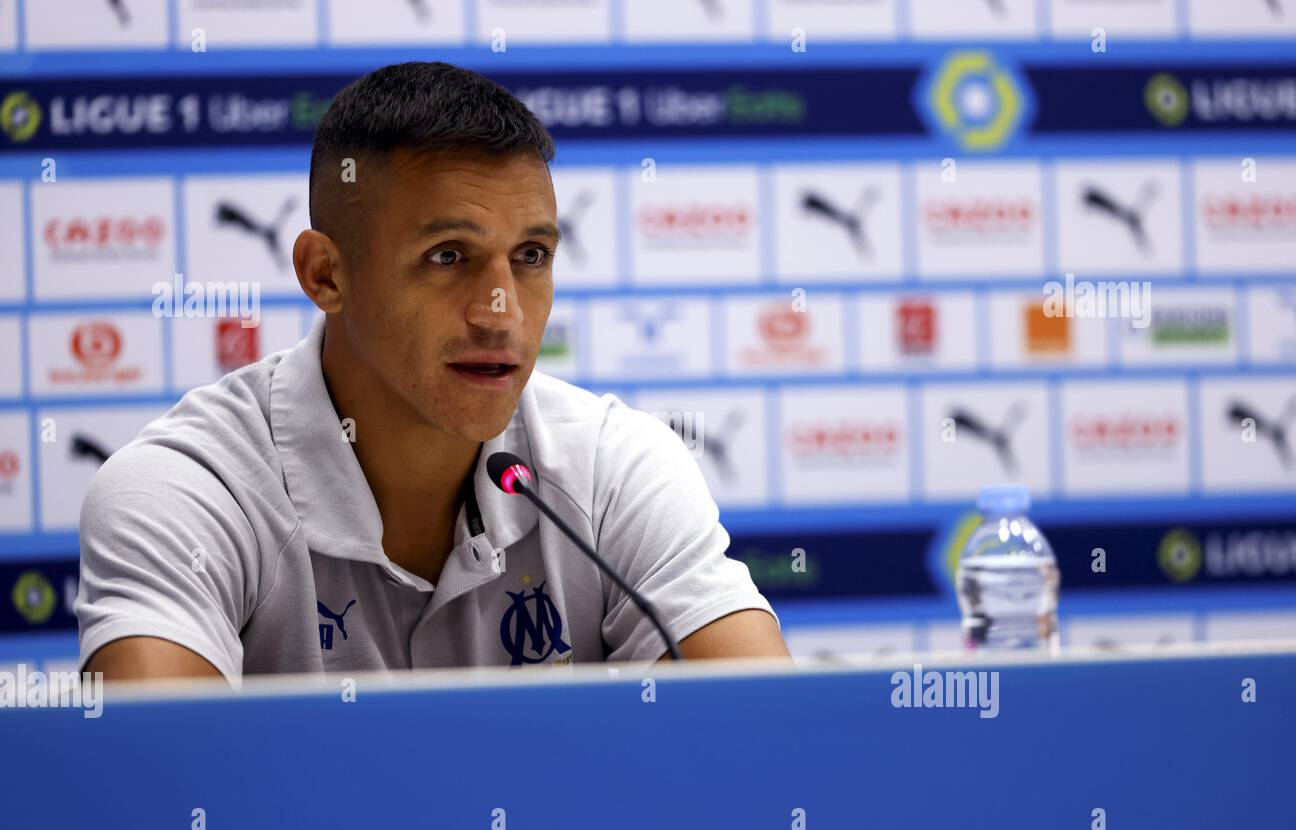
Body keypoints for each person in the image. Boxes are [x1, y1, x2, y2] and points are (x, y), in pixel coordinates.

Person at [77, 61, 787, 684]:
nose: (501, 312)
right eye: (448, 256)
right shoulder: (186, 492)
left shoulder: (614, 468)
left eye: (532, 255)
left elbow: (766, 754)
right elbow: (162, 807)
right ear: (326, 274)